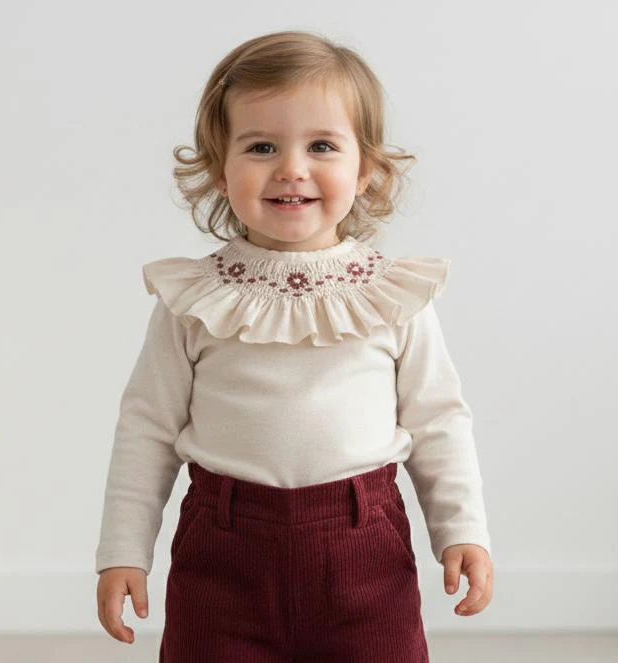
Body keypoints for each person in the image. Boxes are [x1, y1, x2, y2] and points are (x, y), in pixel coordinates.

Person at [95, 29, 493, 662]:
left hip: (364, 550)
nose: (291, 169)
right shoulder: (195, 299)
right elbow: (147, 426)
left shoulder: (393, 295)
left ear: (365, 169)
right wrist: (123, 550)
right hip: (223, 553)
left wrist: (462, 530)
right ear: (219, 170)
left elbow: (439, 420)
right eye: (261, 146)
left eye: (322, 146)